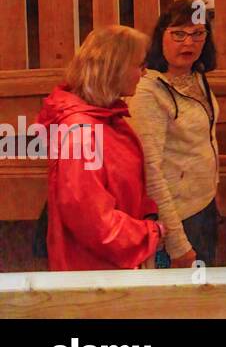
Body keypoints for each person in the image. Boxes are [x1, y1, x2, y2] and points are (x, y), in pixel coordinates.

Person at [39, 26, 165, 271]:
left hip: (111, 268)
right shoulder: (82, 131)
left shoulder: (108, 118)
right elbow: (93, 222)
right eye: (139, 65)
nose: (144, 73)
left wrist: (147, 217)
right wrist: (148, 234)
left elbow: (127, 190)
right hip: (95, 276)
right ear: (114, 68)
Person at [130, 0, 222, 268]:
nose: (188, 43)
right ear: (161, 36)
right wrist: (177, 244)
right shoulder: (147, 91)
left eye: (197, 34)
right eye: (178, 34)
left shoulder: (197, 76)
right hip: (174, 217)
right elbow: (150, 171)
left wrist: (214, 191)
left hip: (204, 205)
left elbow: (207, 139)